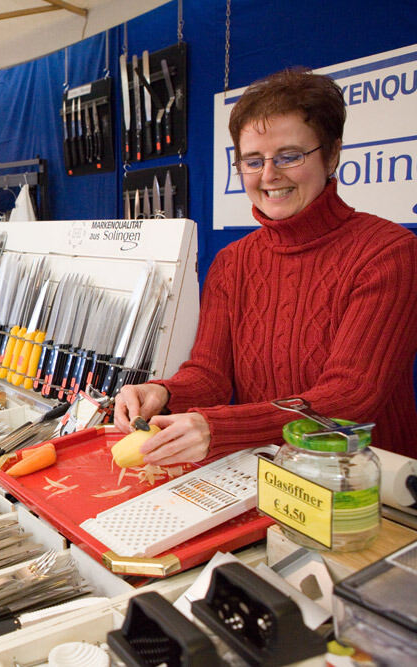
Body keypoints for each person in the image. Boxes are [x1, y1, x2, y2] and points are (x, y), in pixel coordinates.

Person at [114, 68, 417, 464]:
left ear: (332, 155)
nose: (269, 175)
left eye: (290, 156)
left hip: (367, 486)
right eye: (253, 161)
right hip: (270, 476)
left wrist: (219, 428)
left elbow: (350, 398)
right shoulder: (232, 262)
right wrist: (164, 392)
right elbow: (210, 374)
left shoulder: (387, 253)